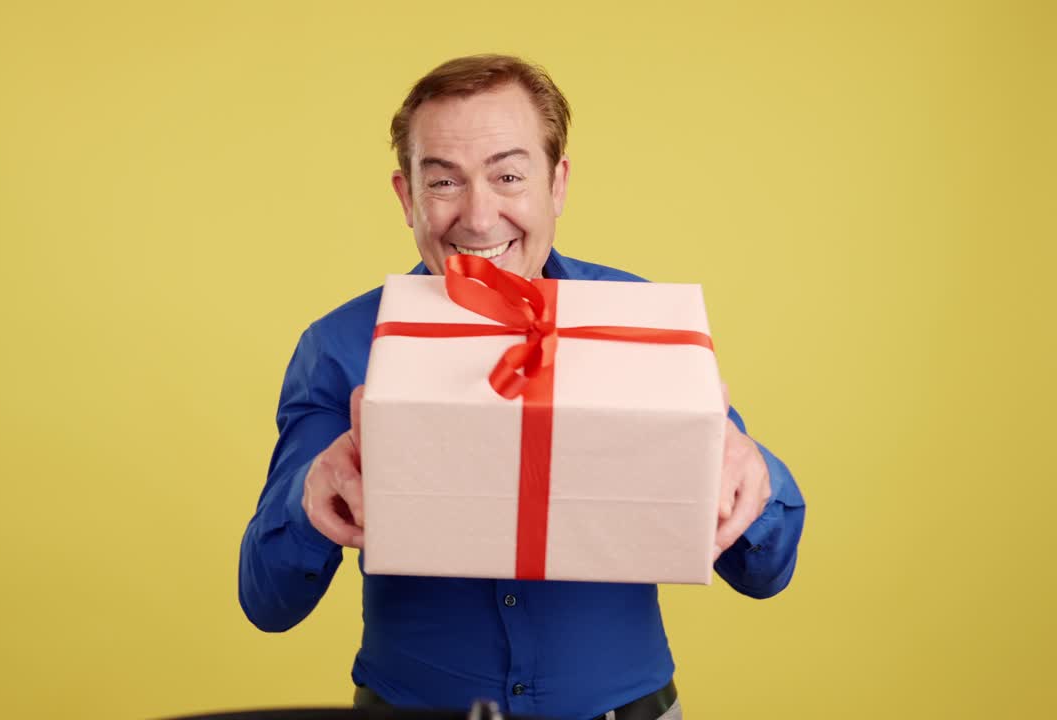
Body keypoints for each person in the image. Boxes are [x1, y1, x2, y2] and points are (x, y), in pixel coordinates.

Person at [239, 54, 806, 720]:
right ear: (407, 197)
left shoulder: (643, 325)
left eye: (508, 176)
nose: (479, 218)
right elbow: (268, 602)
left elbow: (764, 574)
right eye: (443, 181)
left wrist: (751, 472)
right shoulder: (341, 345)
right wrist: (310, 499)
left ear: (556, 184)